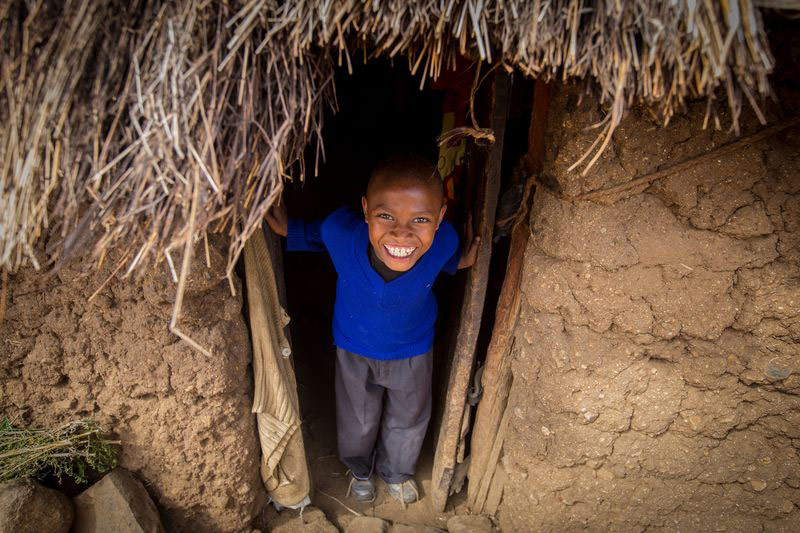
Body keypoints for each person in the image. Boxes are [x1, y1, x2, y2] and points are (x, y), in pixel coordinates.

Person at [265, 153, 479, 505]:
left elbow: (448, 261)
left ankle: (396, 473)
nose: (402, 232)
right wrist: (291, 229)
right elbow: (318, 234)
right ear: (365, 210)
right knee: (357, 417)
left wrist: (465, 261)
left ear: (441, 217)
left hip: (413, 350)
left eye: (421, 219)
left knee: (408, 418)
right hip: (354, 348)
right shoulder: (342, 232)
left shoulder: (444, 243)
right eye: (385, 215)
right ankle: (360, 470)